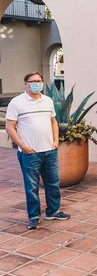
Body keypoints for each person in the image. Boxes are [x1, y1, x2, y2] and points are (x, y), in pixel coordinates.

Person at [5, 72, 70, 230]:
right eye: (32, 81)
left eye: (39, 81)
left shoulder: (47, 100)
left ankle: (53, 211)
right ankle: (34, 216)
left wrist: (55, 141)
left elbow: (53, 121)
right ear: (26, 84)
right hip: (30, 154)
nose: (36, 83)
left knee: (53, 184)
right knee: (31, 187)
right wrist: (24, 146)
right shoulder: (17, 102)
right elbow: (10, 127)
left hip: (50, 151)